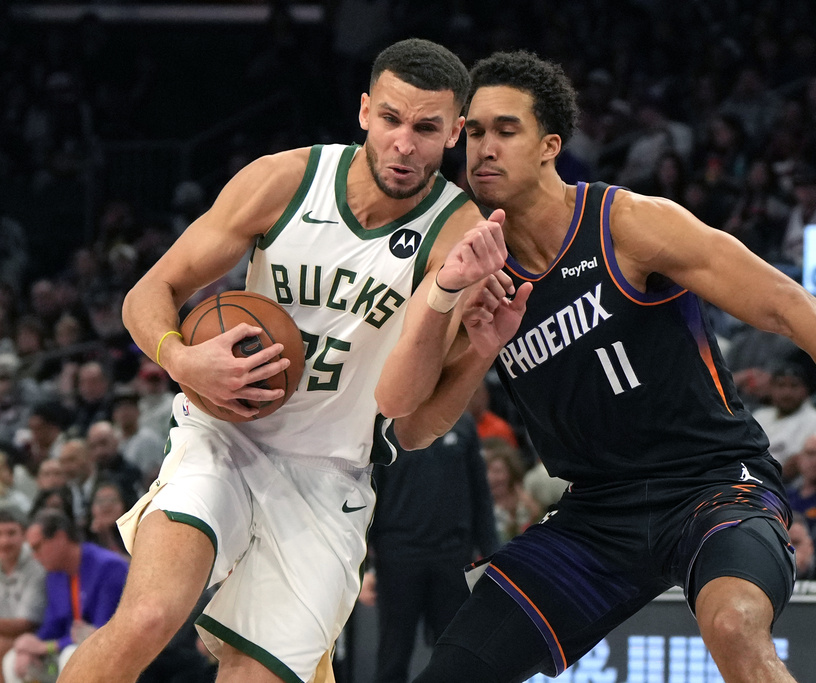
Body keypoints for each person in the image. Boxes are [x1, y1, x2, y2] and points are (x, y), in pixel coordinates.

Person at [410, 51, 816, 683]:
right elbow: (412, 429)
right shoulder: (465, 270)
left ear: (549, 145)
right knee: (455, 670)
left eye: (505, 130)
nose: (484, 147)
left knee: (734, 625)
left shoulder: (628, 224)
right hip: (595, 512)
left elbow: (792, 308)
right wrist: (473, 343)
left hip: (711, 483)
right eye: (475, 131)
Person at [58, 39, 509, 683]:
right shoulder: (285, 180)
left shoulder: (459, 236)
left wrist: (445, 301)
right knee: (150, 615)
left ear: (456, 133)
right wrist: (182, 360)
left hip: (331, 476)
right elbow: (147, 293)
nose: (404, 144)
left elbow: (408, 420)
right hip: (225, 436)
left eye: (426, 128)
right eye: (390, 119)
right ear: (363, 112)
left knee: (255, 673)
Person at [360, 413, 498, 683]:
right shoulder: (386, 423)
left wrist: (493, 556)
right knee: (393, 653)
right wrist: (364, 568)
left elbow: (480, 493)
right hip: (398, 557)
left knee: (453, 653)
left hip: (453, 556)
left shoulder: (463, 423)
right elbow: (370, 496)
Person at [3, 509, 128, 683]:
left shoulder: (108, 567)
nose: (35, 556)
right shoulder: (55, 574)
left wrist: (47, 646)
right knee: (13, 660)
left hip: (113, 652)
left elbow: (102, 631)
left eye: (37, 547)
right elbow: (52, 625)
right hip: (67, 647)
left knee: (71, 656)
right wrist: (30, 645)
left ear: (60, 538)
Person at [0, 507, 47, 666]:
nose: (4, 541)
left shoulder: (37, 566)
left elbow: (26, 623)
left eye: (11, 533)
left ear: (24, 535)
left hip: (35, 637)